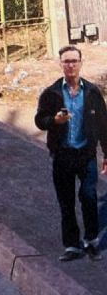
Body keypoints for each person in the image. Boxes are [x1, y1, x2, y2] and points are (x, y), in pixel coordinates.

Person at [35, 45, 107, 262]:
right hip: (62, 155)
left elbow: (104, 125)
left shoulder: (93, 92)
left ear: (81, 63)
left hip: (86, 155)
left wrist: (106, 153)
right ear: (61, 65)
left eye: (74, 61)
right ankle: (72, 246)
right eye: (66, 61)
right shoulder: (51, 93)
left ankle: (91, 241)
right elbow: (39, 120)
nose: (71, 65)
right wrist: (54, 121)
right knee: (66, 202)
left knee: (89, 198)